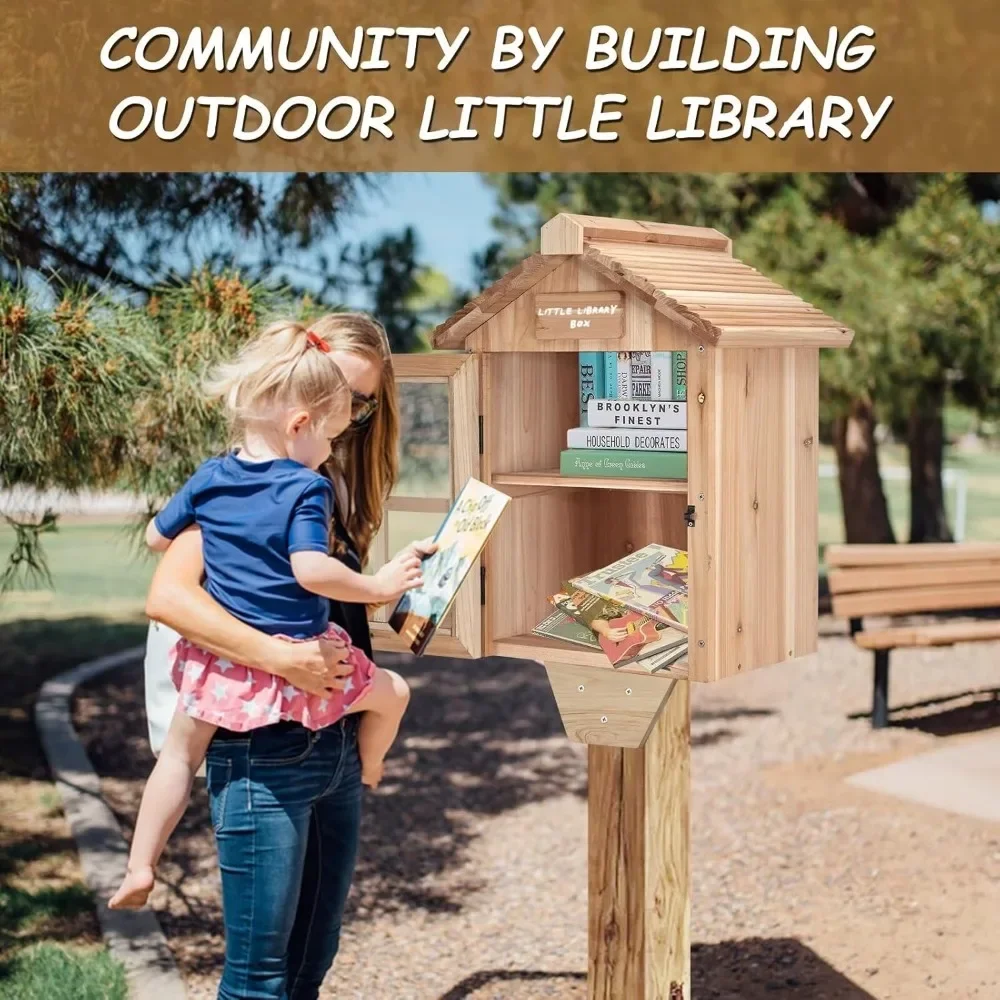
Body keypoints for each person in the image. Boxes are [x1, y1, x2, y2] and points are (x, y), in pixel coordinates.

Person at [120, 313, 428, 1000]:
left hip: (332, 740)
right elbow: (169, 595)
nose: (347, 417)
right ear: (296, 402)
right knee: (261, 977)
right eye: (339, 398)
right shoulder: (242, 486)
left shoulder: (325, 484)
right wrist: (283, 659)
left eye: (361, 403)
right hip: (263, 740)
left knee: (310, 960)